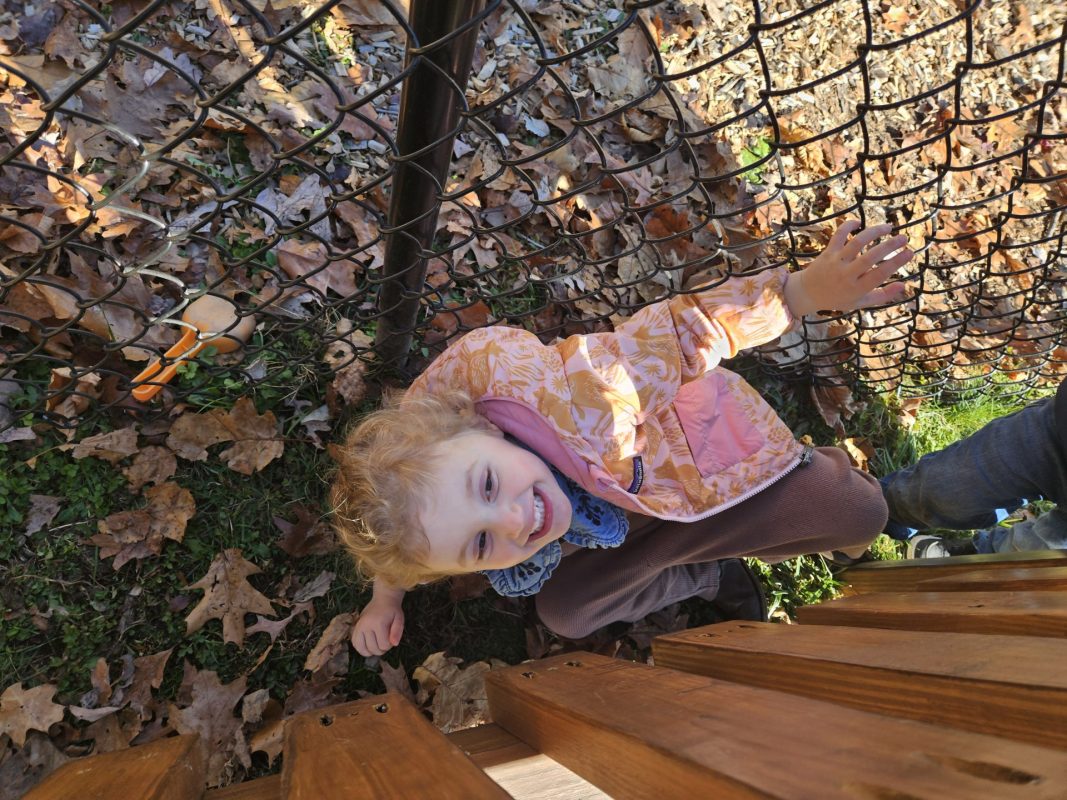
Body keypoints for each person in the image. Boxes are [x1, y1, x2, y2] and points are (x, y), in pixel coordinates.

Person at [330, 221, 913, 657]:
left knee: (861, 513)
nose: (512, 521)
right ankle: (712, 574)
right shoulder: (443, 497)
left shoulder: (586, 400)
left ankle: (806, 473)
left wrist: (801, 293)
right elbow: (405, 546)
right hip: (619, 514)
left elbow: (682, 333)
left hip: (696, 464)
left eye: (487, 485)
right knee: (567, 614)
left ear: (481, 426)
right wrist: (386, 599)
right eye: (480, 545)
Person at [882, 379, 1067, 557]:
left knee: (1039, 552)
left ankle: (985, 556)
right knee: (944, 487)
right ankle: (879, 511)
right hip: (1059, 433)